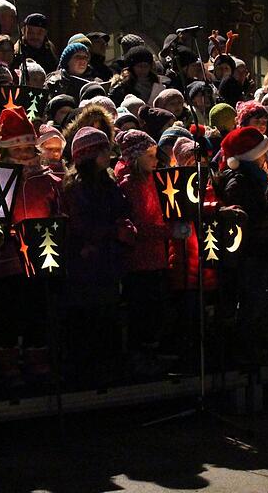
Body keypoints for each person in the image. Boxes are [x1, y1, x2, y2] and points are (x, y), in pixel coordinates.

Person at [0, 107, 63, 388]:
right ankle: (6, 362)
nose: (25, 153)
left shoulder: (48, 179)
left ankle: (36, 357)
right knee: (8, 310)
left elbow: (58, 212)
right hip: (9, 258)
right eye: (19, 148)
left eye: (29, 147)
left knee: (37, 309)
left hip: (43, 256)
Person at [62, 127, 135, 387]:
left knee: (108, 314)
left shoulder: (108, 182)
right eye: (103, 150)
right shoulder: (77, 188)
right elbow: (80, 225)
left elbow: (121, 207)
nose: (109, 154)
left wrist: (125, 224)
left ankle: (109, 368)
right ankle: (88, 372)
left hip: (108, 260)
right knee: (89, 317)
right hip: (87, 264)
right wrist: (113, 230)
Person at [216, 127, 268, 364]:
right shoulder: (241, 179)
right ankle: (247, 350)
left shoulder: (253, 176)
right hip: (250, 249)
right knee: (252, 299)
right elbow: (243, 213)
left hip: (256, 248)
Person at [115, 129, 171, 377]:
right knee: (141, 310)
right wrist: (166, 232)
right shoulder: (130, 185)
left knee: (155, 310)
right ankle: (139, 360)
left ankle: (151, 355)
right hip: (139, 260)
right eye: (150, 155)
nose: (155, 159)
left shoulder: (151, 180)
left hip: (156, 256)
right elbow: (139, 224)